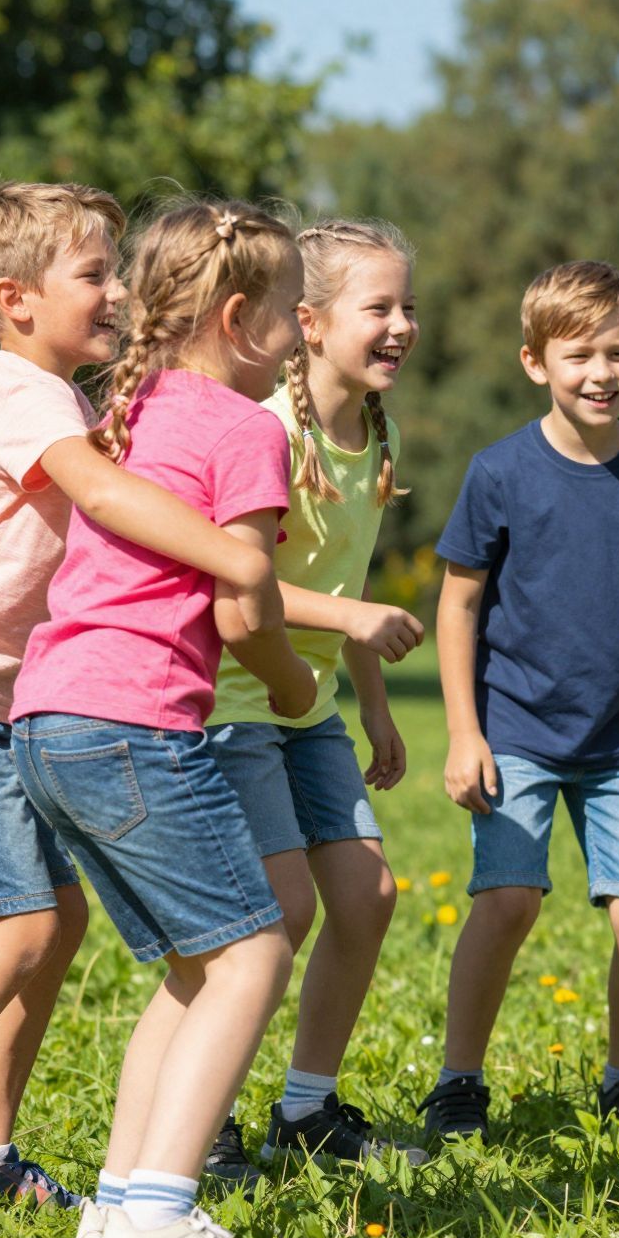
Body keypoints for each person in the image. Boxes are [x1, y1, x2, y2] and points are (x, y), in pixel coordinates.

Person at [0, 182, 282, 1233]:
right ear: (16, 299)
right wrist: (240, 560)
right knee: (21, 924)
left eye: (119, 269)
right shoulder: (18, 397)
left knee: (50, 919)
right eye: (96, 274)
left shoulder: (60, 399)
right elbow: (114, 503)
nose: (118, 292)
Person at [10, 197, 317, 1238]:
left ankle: (118, 1209)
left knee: (196, 967)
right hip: (134, 718)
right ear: (241, 319)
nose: (304, 325)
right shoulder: (247, 429)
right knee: (253, 953)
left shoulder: (130, 407)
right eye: (293, 308)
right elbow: (244, 609)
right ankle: (165, 1214)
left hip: (49, 718)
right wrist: (291, 683)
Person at [426, 261, 619, 1145]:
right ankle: (457, 1082)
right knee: (507, 900)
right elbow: (458, 603)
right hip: (514, 725)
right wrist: (464, 732)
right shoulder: (500, 472)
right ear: (533, 362)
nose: (601, 372)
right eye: (578, 353)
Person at [202, 220, 427, 1179]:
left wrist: (372, 702)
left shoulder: (375, 427)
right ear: (310, 321)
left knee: (367, 895)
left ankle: (306, 1108)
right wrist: (360, 618)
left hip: (311, 708)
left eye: (408, 306)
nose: (402, 325)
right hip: (232, 701)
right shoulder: (269, 430)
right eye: (379, 307)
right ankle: (202, 1119)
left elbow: (348, 590)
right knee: (278, 915)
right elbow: (236, 582)